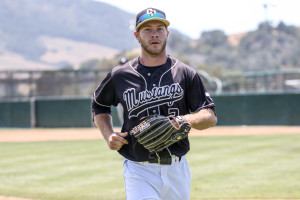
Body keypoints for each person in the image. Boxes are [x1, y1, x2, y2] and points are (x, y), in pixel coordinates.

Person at [92, 7, 217, 200]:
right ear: (137, 35)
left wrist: (183, 120)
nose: (154, 34)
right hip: (139, 170)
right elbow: (99, 105)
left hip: (177, 168)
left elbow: (209, 116)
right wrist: (108, 135)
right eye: (147, 29)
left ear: (167, 33)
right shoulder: (120, 75)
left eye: (159, 28)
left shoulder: (185, 73)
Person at [116, 57, 128, 125]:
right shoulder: (116, 75)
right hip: (120, 102)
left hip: (132, 102)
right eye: (121, 64)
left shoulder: (133, 75)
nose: (123, 65)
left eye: (125, 64)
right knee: (123, 121)